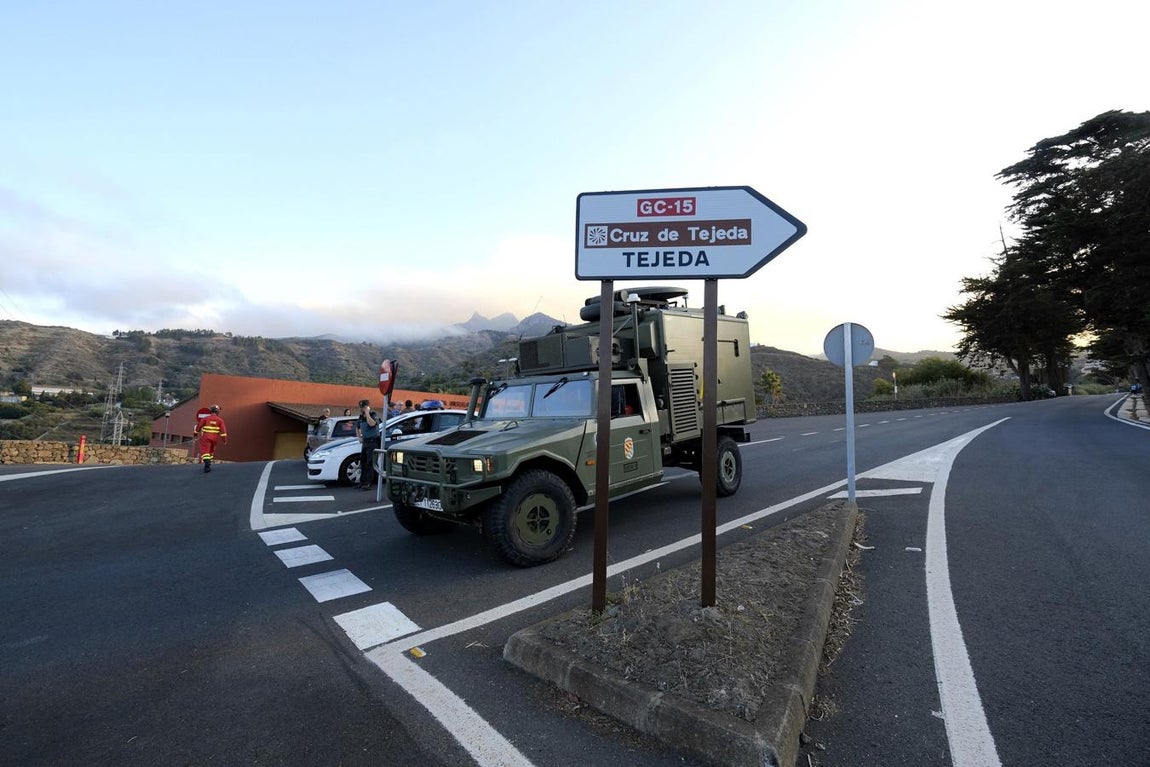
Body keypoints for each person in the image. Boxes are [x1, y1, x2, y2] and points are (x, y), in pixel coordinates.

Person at [355, 399, 382, 490]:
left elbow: (372, 424)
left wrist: (367, 413)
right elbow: (357, 427)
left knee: (370, 462)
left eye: (363, 407)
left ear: (367, 407)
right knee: (363, 461)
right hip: (365, 442)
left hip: (373, 441)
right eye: (361, 407)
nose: (361, 409)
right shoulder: (361, 417)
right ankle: (362, 481)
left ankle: (368, 483)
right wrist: (359, 437)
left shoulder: (373, 414)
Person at [194, 404, 228, 473]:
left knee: (205, 451)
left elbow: (198, 427)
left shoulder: (206, 419)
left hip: (206, 437)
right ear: (217, 412)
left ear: (210, 411)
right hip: (215, 438)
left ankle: (207, 465)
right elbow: (223, 432)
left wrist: (195, 433)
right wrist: (224, 440)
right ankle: (209, 463)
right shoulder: (220, 420)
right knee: (211, 451)